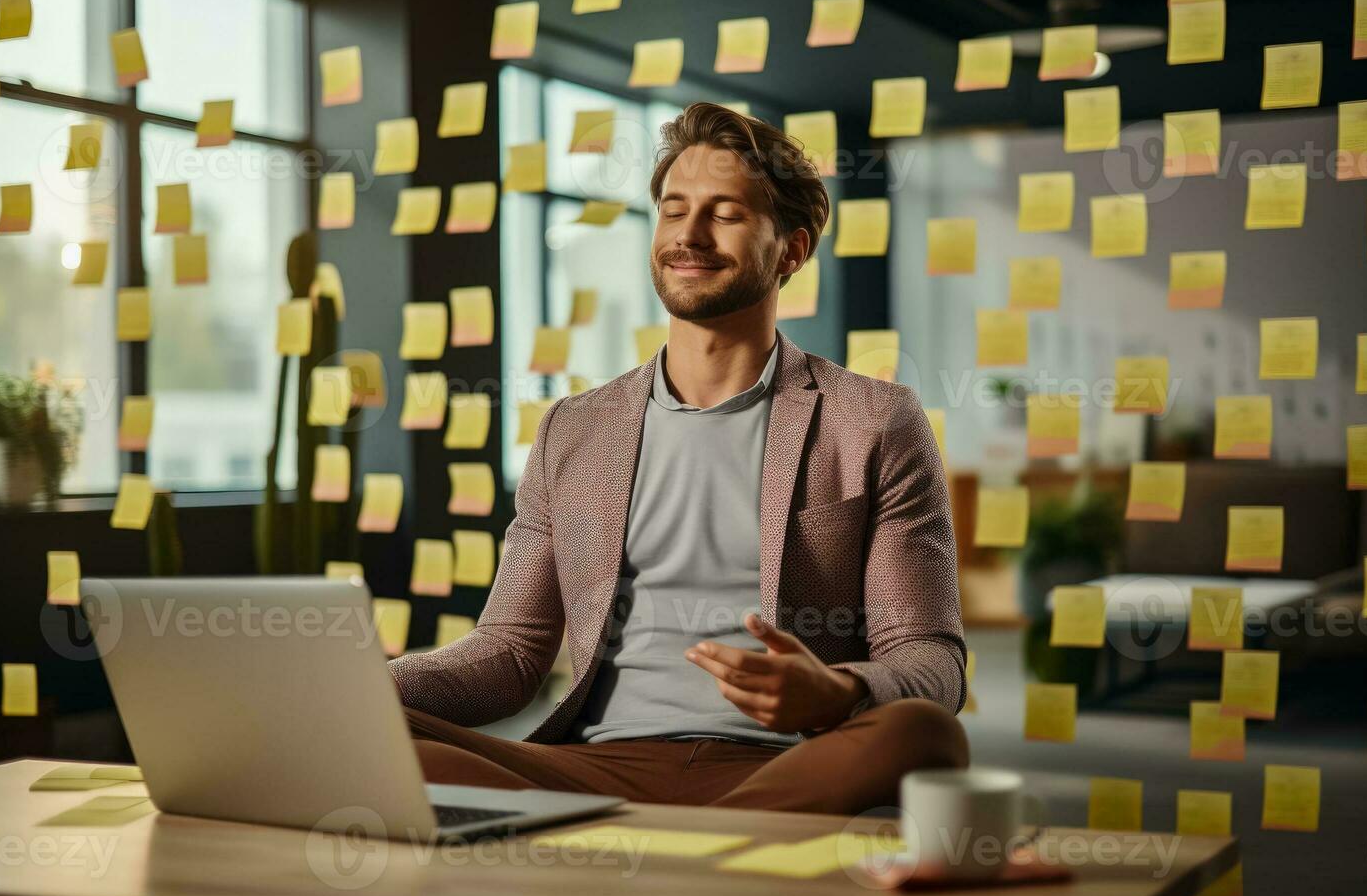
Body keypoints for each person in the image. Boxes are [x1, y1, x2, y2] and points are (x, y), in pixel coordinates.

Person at [392, 103, 967, 815]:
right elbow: (508, 654)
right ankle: (711, 854)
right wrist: (363, 680)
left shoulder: (874, 420)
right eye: (673, 210)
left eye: (724, 214)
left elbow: (930, 661)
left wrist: (838, 691)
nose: (689, 235)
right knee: (371, 731)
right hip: (593, 767)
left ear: (790, 251)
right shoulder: (574, 428)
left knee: (921, 730)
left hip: (784, 764)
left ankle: (680, 843)